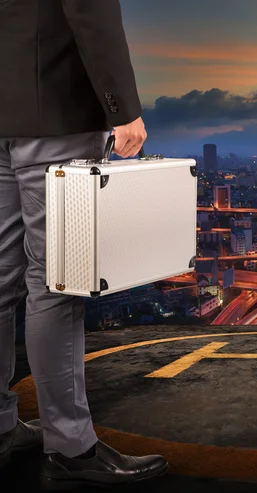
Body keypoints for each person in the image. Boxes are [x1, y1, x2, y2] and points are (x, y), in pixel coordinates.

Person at [0, 0, 168, 489]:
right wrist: (125, 110)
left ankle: (3, 428)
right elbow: (91, 13)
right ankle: (71, 447)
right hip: (55, 117)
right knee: (55, 283)